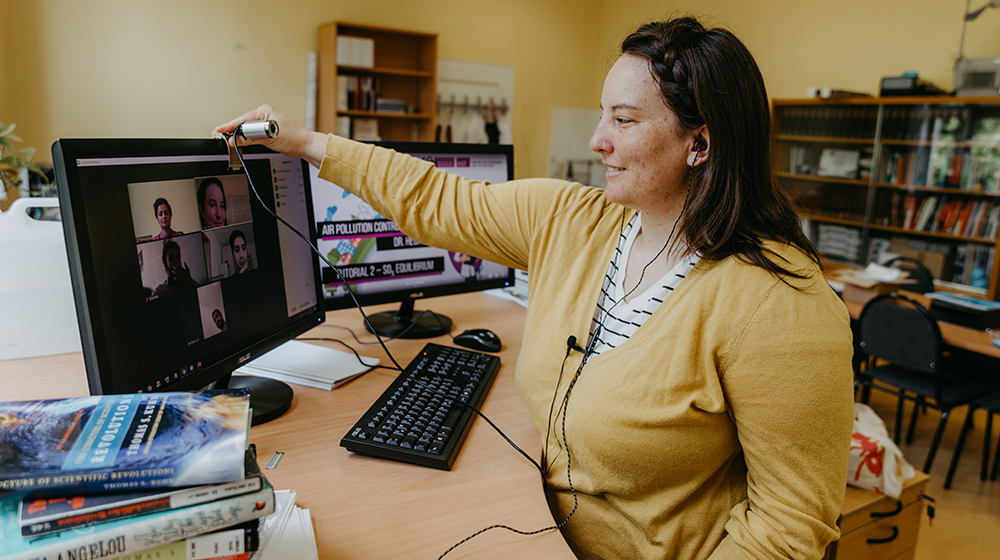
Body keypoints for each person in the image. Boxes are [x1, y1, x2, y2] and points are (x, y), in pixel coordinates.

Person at [216, 17, 854, 560]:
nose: (596, 138)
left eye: (623, 120)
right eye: (602, 113)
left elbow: (789, 525)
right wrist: (303, 142)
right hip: (538, 529)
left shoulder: (781, 304)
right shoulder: (574, 220)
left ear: (700, 143)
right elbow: (436, 197)